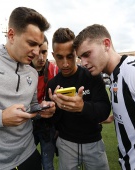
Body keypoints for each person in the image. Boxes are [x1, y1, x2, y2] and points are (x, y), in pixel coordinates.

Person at [0, 7, 56, 170]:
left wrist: (41, 109)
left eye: (39, 46)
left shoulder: (32, 73)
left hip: (28, 154)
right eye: (31, 44)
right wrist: (0, 118)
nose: (36, 53)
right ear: (11, 35)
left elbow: (31, 107)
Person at [73, 24, 135, 169]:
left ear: (106, 44)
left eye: (87, 54)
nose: (83, 63)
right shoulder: (114, 76)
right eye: (80, 57)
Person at [45, 28, 111, 170]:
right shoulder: (52, 85)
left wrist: (82, 107)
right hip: (66, 144)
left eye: (70, 56)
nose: (65, 63)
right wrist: (53, 109)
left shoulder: (92, 75)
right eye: (60, 57)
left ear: (76, 53)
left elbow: (105, 109)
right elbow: (51, 122)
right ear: (53, 55)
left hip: (93, 142)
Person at [30, 35, 59, 170]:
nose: (41, 57)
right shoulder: (22, 70)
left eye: (44, 52)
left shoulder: (55, 70)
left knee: (47, 164)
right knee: (25, 160)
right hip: (28, 126)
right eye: (38, 52)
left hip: (48, 127)